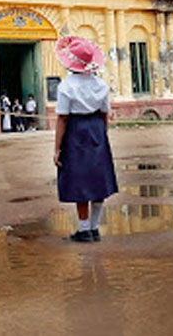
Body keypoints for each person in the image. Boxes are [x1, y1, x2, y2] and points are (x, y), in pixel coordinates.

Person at [53, 36, 117, 243]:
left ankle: (83, 229)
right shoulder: (101, 85)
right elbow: (105, 113)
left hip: (76, 130)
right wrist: (102, 135)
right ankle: (95, 227)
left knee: (80, 179)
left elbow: (63, 118)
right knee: (98, 179)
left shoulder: (66, 87)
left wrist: (57, 148)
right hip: (96, 129)